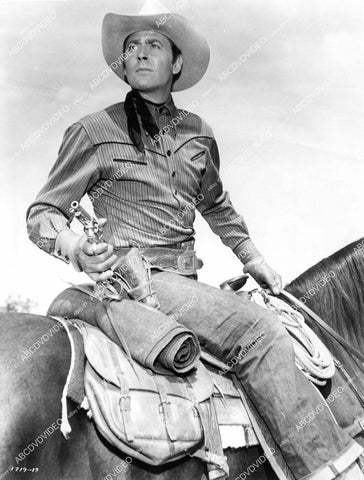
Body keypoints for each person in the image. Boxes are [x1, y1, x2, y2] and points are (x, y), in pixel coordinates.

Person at [26, 11, 363, 480]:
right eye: (132, 46)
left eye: (154, 45)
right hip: (132, 282)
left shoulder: (198, 133)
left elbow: (218, 206)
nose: (140, 52)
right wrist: (74, 247)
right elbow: (42, 212)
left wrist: (255, 260)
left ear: (177, 64)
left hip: (188, 284)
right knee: (260, 332)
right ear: (122, 64)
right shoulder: (92, 132)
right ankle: (332, 470)